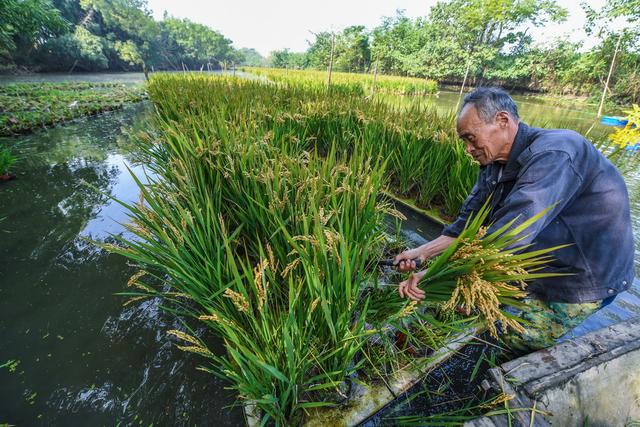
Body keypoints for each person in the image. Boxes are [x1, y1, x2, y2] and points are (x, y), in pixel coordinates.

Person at [394, 87, 635, 352]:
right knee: (480, 312)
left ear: (502, 121)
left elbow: (510, 234)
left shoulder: (555, 153)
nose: (467, 149)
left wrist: (433, 275)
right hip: (535, 258)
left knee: (516, 341)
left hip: (582, 274)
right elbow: (466, 225)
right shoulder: (494, 165)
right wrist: (422, 253)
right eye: (464, 141)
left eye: (471, 138)